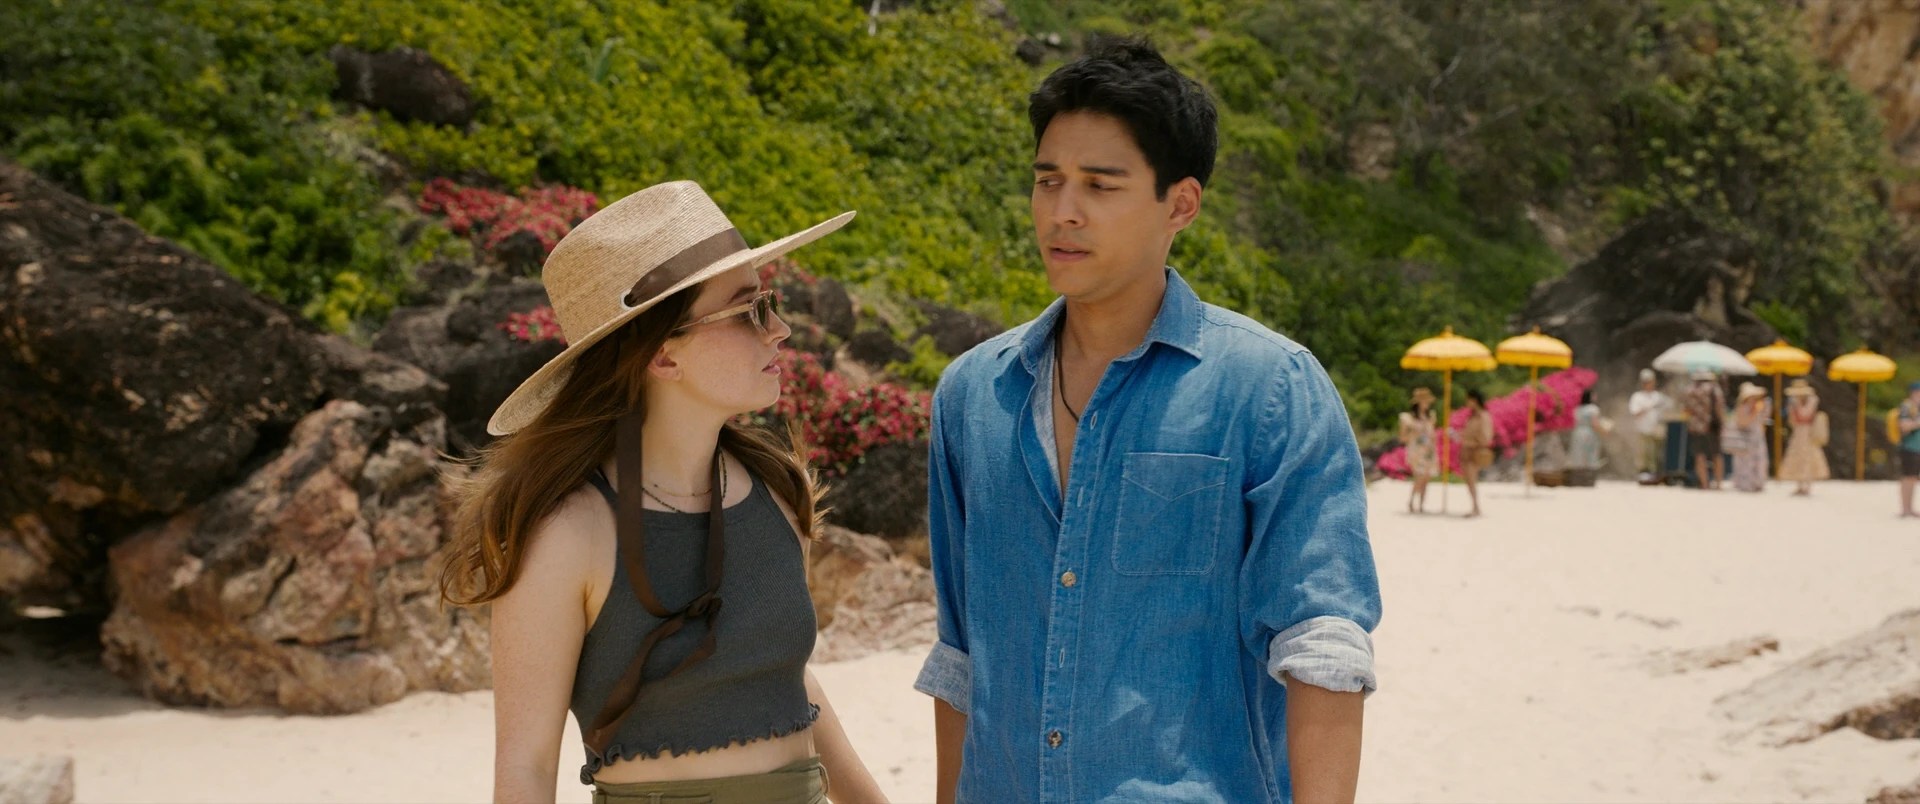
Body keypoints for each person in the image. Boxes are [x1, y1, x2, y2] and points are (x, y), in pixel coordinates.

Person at [914, 37, 1381, 804]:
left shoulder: (1269, 388)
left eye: (1100, 185)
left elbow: (1322, 645)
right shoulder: (972, 394)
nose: (1063, 211)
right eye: (1048, 180)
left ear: (1181, 204)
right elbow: (962, 656)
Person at [435, 182, 886, 804]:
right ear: (664, 356)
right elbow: (526, 768)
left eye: (770, 303)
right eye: (749, 310)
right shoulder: (567, 533)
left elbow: (783, 680)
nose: (779, 329)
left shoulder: (779, 490)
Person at [1777, 378, 1830, 496]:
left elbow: (1805, 415)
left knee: (1808, 457)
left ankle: (1807, 485)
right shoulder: (1794, 403)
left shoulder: (1812, 401)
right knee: (1798, 458)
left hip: (1808, 432)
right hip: (1798, 432)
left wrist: (1796, 405)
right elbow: (1792, 420)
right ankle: (1800, 484)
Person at [1724, 382, 1770, 493]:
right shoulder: (1742, 408)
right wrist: (1753, 413)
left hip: (1757, 437)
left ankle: (1758, 482)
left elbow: (1764, 419)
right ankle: (1745, 484)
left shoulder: (1758, 406)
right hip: (1745, 438)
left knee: (1760, 461)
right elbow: (1742, 423)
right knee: (1745, 462)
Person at [1684, 370, 1726, 490]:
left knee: (1699, 455)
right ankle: (1718, 484)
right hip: (1712, 426)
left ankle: (1705, 484)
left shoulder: (1690, 390)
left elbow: (1687, 409)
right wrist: (1722, 423)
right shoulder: (1714, 389)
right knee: (1716, 454)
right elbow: (1719, 407)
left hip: (1696, 427)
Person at [1628, 368, 1673, 478]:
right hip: (1643, 430)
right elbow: (1634, 412)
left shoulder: (1658, 396)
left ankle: (1655, 474)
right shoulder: (1637, 397)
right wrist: (1647, 408)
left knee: (1656, 454)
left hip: (1657, 430)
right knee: (1644, 454)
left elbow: (1670, 405)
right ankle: (1643, 474)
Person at [1400, 387, 1439, 513]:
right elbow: (1402, 437)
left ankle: (1421, 504)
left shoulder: (1430, 417)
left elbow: (1432, 434)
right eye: (1425, 401)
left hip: (1428, 450)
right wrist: (1413, 434)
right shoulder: (1408, 418)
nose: (1427, 404)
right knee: (1419, 477)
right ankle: (1412, 501)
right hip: (1416, 451)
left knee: (1426, 478)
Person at [1458, 388, 1495, 516]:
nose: (1467, 402)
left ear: (1474, 400)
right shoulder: (1473, 416)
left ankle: (1475, 507)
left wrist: (1472, 443)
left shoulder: (1483, 416)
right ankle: (1475, 507)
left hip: (1475, 451)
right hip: (1467, 451)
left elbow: (1486, 437)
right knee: (1469, 480)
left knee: (1472, 480)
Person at [1568, 388, 1604, 481]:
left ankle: (1578, 477)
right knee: (1590, 454)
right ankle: (1589, 478)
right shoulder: (1593, 409)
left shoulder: (1577, 409)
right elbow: (1595, 424)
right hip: (1589, 433)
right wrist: (1603, 430)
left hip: (1577, 432)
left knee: (1578, 454)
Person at [1899, 381, 1920, 517]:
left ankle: (1910, 508)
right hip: (1909, 447)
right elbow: (1903, 426)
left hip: (1917, 448)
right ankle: (1906, 509)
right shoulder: (1907, 407)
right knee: (1908, 477)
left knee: (1913, 478)